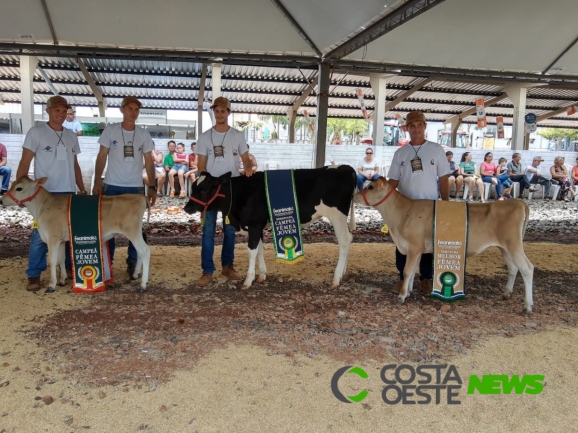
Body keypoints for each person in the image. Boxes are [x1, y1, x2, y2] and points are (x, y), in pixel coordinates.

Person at [15, 96, 87, 291]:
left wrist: (82, 187)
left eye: (64, 111)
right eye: (57, 111)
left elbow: (75, 164)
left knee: (70, 232)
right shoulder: (36, 132)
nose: (61, 114)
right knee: (40, 235)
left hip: (68, 191)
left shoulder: (72, 136)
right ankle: (34, 274)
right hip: (44, 194)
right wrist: (20, 192)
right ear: (48, 111)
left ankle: (70, 269)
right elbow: (25, 162)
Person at [92, 96, 156, 277]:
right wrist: (97, 180)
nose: (133, 112)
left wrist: (152, 186)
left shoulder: (143, 134)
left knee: (135, 228)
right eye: (130, 108)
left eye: (136, 109)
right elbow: (101, 156)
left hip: (135, 189)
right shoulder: (111, 130)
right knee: (106, 226)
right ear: (122, 109)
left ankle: (133, 262)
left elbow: (149, 162)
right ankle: (107, 263)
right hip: (111, 186)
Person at [387, 111, 449, 296]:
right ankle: (402, 277)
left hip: (429, 206)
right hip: (404, 208)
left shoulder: (436, 149)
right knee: (402, 243)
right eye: (411, 126)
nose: (415, 129)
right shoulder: (401, 153)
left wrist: (446, 203)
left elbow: (444, 178)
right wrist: (379, 193)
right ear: (407, 128)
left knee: (427, 243)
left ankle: (425, 279)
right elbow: (393, 181)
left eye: (419, 125)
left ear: (424, 126)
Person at [196, 96, 254, 287]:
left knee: (230, 230)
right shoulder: (205, 136)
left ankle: (227, 266)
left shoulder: (237, 135)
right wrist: (203, 185)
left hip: (231, 187)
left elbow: (245, 158)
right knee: (208, 231)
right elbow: (201, 163)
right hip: (211, 190)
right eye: (217, 110)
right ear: (213, 112)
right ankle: (207, 271)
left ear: (229, 112)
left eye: (223, 111)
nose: (219, 114)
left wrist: (247, 168)